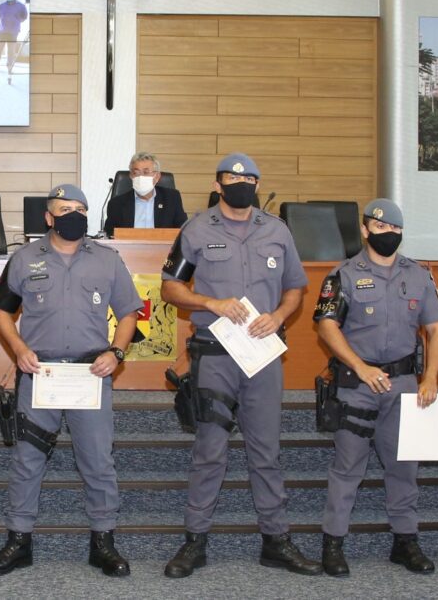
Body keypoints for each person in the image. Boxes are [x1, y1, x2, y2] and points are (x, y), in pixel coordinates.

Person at [161, 153, 322, 578]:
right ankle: (195, 542)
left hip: (262, 355)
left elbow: (295, 289)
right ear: (218, 185)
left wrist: (281, 316)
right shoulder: (196, 229)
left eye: (249, 178)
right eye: (233, 178)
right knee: (209, 451)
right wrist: (209, 302)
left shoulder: (277, 231)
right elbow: (170, 288)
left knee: (266, 450)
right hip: (214, 354)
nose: (241, 183)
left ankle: (276, 540)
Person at [0, 185, 142, 577]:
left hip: (91, 374)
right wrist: (19, 349)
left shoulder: (107, 260)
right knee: (27, 460)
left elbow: (129, 313)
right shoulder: (24, 259)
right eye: (64, 209)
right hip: (42, 375)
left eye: (80, 209)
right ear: (49, 218)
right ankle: (19, 540)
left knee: (99, 461)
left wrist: (116, 352)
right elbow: (0, 312)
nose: (74, 215)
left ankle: (103, 542)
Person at [313, 198, 438, 577]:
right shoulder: (343, 274)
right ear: (365, 229)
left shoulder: (419, 274)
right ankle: (334, 543)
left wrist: (432, 377)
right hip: (357, 384)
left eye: (395, 229)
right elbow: (326, 326)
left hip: (405, 385)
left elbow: (437, 328)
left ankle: (405, 541)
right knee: (347, 467)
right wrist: (360, 365)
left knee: (404, 467)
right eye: (381, 227)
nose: (388, 234)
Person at [103, 152, 187, 237]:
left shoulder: (172, 199)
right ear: (131, 176)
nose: (140, 177)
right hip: (128, 249)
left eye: (146, 172)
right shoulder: (116, 204)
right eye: (136, 173)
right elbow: (109, 235)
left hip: (163, 249)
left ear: (157, 177)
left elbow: (183, 232)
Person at [0, 0, 28, 72]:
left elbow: (24, 17)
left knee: (11, 51)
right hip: (2, 31)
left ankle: (10, 67)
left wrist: (16, 20)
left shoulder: (21, 6)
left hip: (13, 32)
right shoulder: (1, 5)